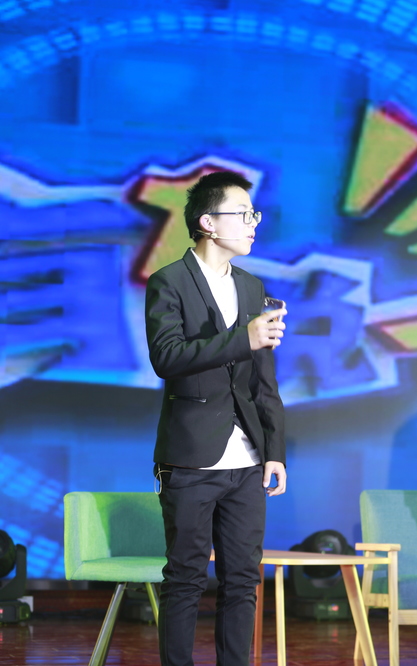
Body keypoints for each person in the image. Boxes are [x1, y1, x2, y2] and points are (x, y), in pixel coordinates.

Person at [145, 171, 288, 666]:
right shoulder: (169, 282)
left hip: (247, 461)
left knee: (243, 580)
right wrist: (242, 338)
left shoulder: (251, 286)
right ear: (207, 222)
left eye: (254, 214)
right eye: (242, 214)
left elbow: (263, 381)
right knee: (185, 578)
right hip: (190, 459)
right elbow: (167, 357)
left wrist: (274, 451)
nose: (253, 223)